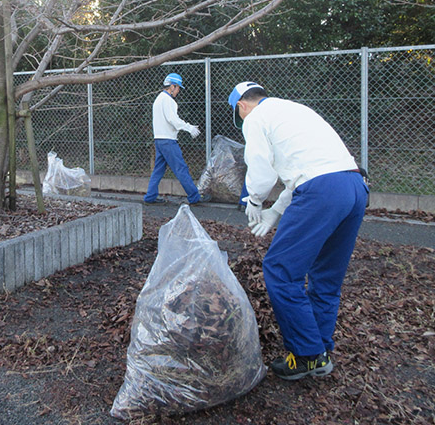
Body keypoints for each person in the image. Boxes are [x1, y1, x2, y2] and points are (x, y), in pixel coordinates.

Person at [228, 81, 368, 380]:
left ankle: (305, 355)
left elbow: (261, 168)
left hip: (322, 191)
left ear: (241, 106)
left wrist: (253, 199)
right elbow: (307, 170)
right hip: (354, 186)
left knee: (280, 270)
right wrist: (276, 211)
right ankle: (321, 351)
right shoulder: (294, 110)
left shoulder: (254, 118)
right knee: (326, 278)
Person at [143, 73, 203, 205]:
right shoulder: (168, 100)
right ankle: (194, 197)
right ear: (172, 86)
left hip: (159, 139)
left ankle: (150, 197)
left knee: (158, 170)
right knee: (181, 168)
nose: (179, 91)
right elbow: (173, 120)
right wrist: (188, 127)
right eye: (178, 88)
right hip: (168, 140)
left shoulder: (159, 99)